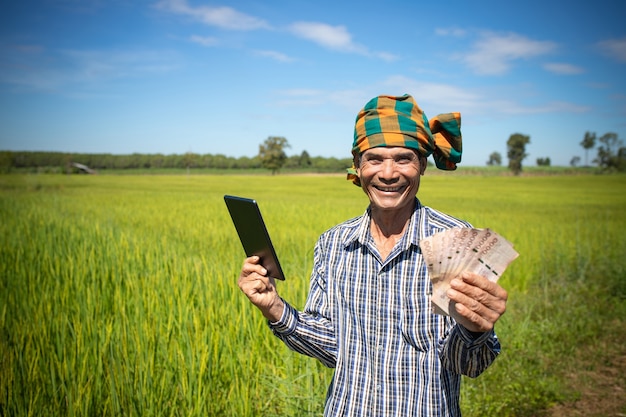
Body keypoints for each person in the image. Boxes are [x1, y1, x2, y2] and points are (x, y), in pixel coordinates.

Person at [238, 94, 508, 416]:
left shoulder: (457, 240)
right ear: (358, 165)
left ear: (422, 164)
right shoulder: (334, 242)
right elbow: (332, 348)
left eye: (404, 159)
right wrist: (275, 308)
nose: (389, 173)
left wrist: (476, 329)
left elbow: (469, 364)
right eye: (375, 159)